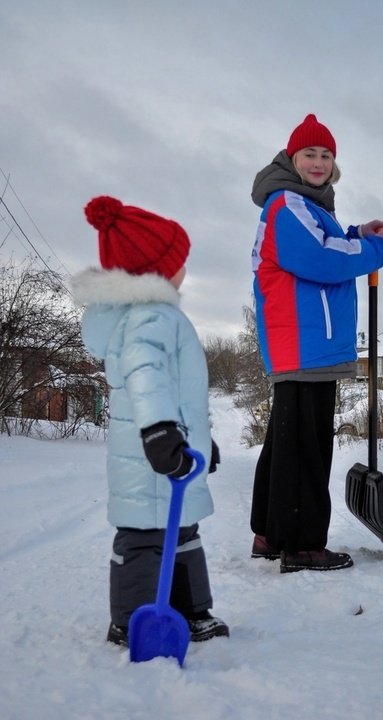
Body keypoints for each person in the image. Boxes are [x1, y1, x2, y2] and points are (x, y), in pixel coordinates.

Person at [71, 195, 228, 646]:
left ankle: (193, 612)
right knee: (143, 538)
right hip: (150, 455)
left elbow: (178, 389)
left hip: (168, 451)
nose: (185, 272)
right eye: (179, 262)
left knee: (182, 533)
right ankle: (131, 619)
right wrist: (160, 433)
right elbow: (146, 375)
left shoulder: (150, 315)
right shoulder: (152, 317)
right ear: (157, 271)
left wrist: (200, 439)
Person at [249, 114, 383, 573]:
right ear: (292, 159)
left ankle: (271, 533)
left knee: (287, 442)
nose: (318, 161)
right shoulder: (286, 203)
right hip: (304, 342)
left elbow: (328, 241)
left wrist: (356, 234)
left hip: (307, 342)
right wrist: (377, 251)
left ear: (334, 164)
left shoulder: (309, 207)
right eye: (309, 154)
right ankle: (304, 545)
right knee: (307, 448)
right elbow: (318, 257)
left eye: (326, 155)